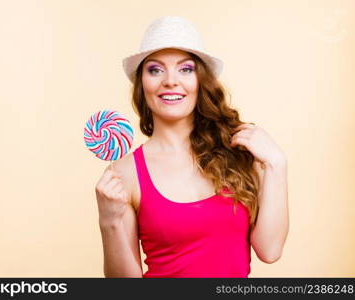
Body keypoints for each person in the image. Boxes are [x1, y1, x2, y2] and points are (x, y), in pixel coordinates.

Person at [95, 16, 289, 278]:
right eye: (155, 69)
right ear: (142, 83)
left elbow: (270, 249)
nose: (170, 81)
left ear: (201, 80)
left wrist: (277, 164)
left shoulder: (239, 152)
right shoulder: (125, 172)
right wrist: (110, 221)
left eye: (185, 69)